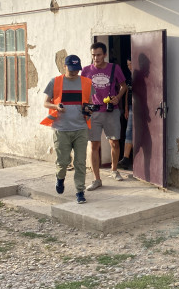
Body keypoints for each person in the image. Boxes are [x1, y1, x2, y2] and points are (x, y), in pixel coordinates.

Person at [41, 54, 92, 204]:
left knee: (80, 162)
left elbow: (89, 103)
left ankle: (80, 191)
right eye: (71, 69)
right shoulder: (55, 81)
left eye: (77, 69)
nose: (74, 72)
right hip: (61, 128)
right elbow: (45, 103)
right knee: (63, 162)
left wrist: (89, 109)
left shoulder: (86, 82)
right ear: (64, 67)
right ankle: (60, 178)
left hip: (81, 128)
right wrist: (56, 106)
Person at [81, 42, 128, 190]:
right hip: (93, 112)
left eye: (99, 55)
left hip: (111, 111)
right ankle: (96, 179)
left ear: (105, 55)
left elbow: (124, 86)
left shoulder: (114, 68)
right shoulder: (86, 70)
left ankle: (114, 170)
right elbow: (82, 89)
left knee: (114, 142)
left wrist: (118, 97)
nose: (96, 58)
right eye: (93, 55)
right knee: (94, 145)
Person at [118, 57, 133, 171]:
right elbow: (127, 93)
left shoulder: (143, 76)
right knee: (129, 131)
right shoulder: (129, 77)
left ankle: (127, 158)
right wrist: (126, 108)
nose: (129, 67)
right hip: (132, 107)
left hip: (142, 108)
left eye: (131, 64)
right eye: (128, 65)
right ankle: (126, 158)